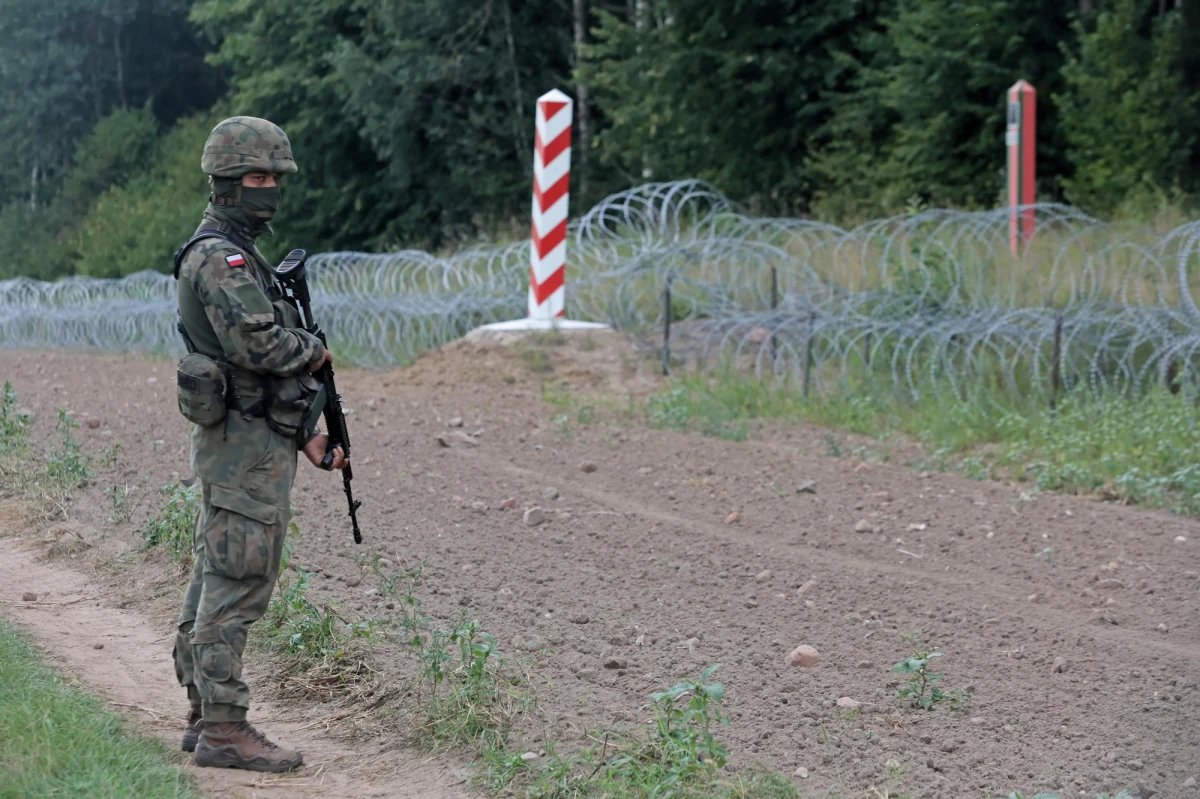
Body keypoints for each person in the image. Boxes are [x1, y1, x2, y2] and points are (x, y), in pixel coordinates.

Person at [170, 116, 348, 773]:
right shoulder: (221, 256)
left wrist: (308, 435)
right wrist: (315, 348)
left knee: (219, 572)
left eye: (275, 177)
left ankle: (203, 711)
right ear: (225, 181)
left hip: (249, 437)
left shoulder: (236, 250)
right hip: (242, 446)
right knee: (238, 580)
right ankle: (223, 727)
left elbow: (253, 371)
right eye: (256, 177)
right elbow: (259, 346)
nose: (269, 188)